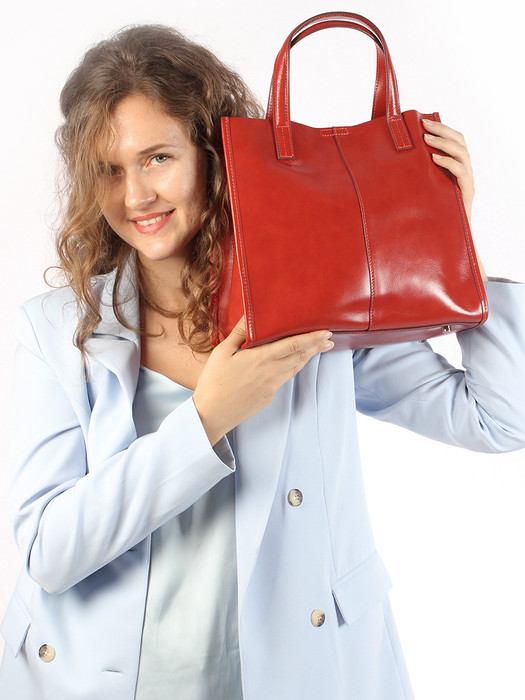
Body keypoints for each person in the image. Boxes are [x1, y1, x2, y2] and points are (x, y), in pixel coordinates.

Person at [0, 22, 524, 700]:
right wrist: (207, 417)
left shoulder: (313, 310)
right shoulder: (56, 330)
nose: (135, 196)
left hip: (293, 674)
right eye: (110, 170)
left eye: (157, 158)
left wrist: (449, 235)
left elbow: (499, 418)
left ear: (213, 157)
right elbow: (47, 552)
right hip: (107, 680)